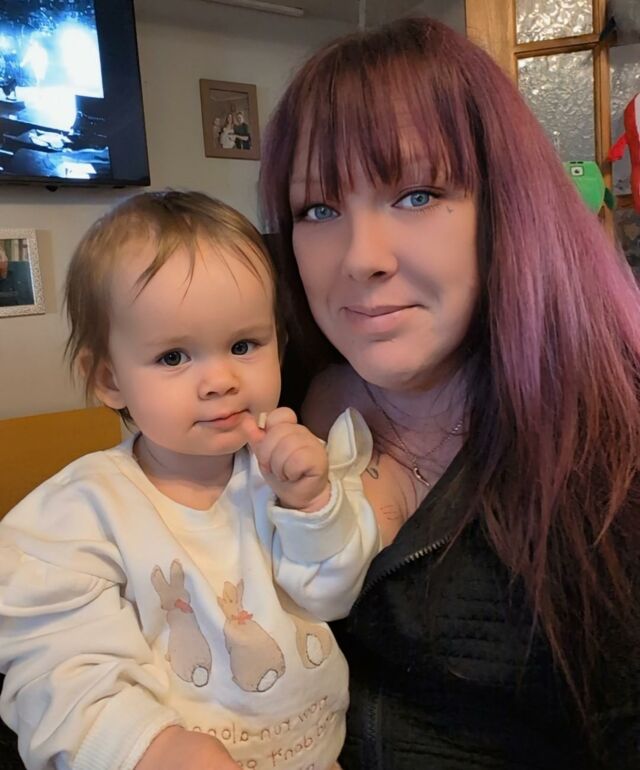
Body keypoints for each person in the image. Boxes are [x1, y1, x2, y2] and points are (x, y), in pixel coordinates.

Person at [258, 16, 640, 769]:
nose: (361, 258)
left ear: (506, 208)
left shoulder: (613, 455)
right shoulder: (262, 402)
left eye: (416, 195)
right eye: (319, 210)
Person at [0, 191, 379, 770]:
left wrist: (313, 506)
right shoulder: (80, 515)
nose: (221, 379)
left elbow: (333, 596)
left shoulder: (289, 474)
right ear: (110, 380)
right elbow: (58, 671)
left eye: (244, 345)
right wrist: (149, 749)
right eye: (174, 357)